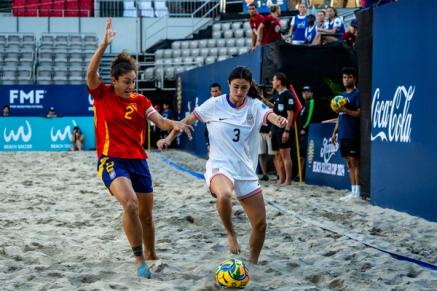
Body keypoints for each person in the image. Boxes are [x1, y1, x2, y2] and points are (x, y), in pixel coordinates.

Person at [86, 18, 192, 278]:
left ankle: (152, 253)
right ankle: (138, 259)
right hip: (112, 159)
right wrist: (103, 45)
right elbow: (90, 74)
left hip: (138, 160)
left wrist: (174, 124)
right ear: (114, 80)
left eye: (133, 81)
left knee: (146, 216)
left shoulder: (141, 100)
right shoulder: (102, 94)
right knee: (131, 205)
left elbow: (161, 121)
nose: (130, 86)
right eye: (126, 81)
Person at [157, 66, 288, 264]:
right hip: (220, 165)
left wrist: (277, 119)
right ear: (229, 84)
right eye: (236, 87)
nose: (239, 92)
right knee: (224, 195)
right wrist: (168, 138)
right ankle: (231, 233)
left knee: (260, 225)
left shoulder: (253, 105)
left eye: (244, 88)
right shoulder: (215, 104)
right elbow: (186, 121)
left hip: (245, 170)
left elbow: (268, 114)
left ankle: (252, 264)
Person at [331, 67, 361, 200]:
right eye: (344, 77)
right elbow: (340, 115)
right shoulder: (341, 96)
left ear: (354, 78)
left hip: (353, 132)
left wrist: (345, 109)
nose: (346, 79)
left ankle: (358, 191)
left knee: (355, 162)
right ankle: (353, 190)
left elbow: (359, 113)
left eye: (349, 77)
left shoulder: (357, 94)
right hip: (343, 133)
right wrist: (334, 132)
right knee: (348, 163)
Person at [271, 73, 295, 185]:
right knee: (277, 155)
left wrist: (287, 130)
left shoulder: (288, 95)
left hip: (283, 129)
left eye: (274, 80)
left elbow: (290, 115)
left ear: (279, 81)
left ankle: (288, 180)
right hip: (275, 128)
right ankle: (281, 178)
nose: (272, 82)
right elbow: (275, 112)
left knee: (285, 154)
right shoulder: (276, 95)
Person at [297, 86, 315, 179]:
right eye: (304, 92)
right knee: (300, 153)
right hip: (300, 132)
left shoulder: (311, 102)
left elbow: (310, 116)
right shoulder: (305, 104)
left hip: (306, 132)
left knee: (303, 154)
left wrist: (304, 128)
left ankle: (300, 175)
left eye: (308, 92)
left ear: (312, 93)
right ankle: (299, 174)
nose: (305, 94)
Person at [204, 83, 222, 152]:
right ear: (210, 92)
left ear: (220, 91)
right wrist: (208, 143)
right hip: (213, 137)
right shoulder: (207, 104)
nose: (214, 93)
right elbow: (206, 130)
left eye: (216, 91)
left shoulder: (226, 102)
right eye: (212, 91)